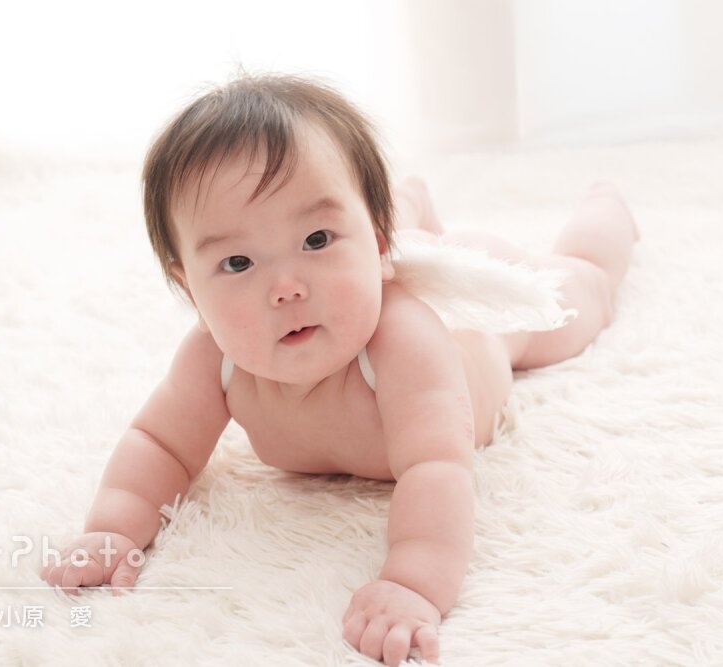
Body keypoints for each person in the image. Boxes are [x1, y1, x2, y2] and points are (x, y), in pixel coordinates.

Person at [40, 73, 638, 666]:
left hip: (486, 330)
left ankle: (606, 212)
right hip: (377, 242)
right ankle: (404, 208)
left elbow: (437, 468)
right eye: (238, 262)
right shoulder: (213, 357)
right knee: (373, 229)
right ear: (191, 288)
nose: (286, 287)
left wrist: (413, 582)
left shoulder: (404, 342)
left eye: (317, 239)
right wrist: (114, 529)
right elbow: (160, 442)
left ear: (376, 247)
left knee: (580, 293)